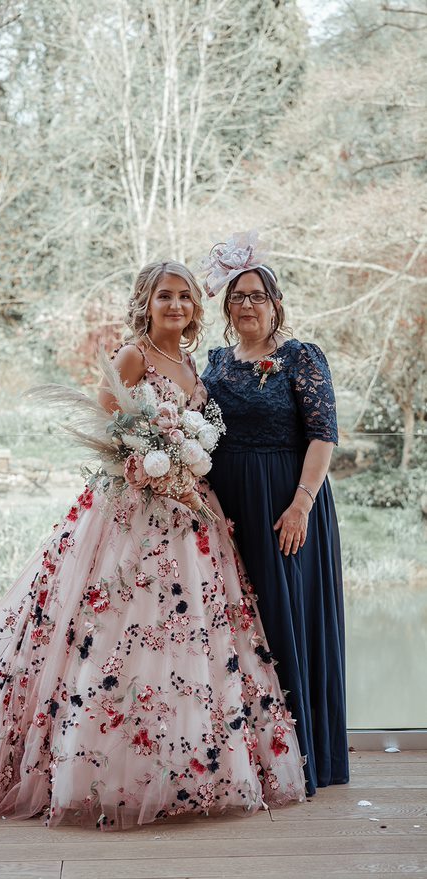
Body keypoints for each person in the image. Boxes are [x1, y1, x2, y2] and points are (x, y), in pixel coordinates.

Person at [0, 259, 305, 837]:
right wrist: (146, 466)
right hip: (130, 514)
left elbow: (193, 429)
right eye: (166, 296)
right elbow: (106, 435)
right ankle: (100, 773)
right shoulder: (132, 356)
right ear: (146, 302)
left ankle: (178, 768)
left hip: (189, 516)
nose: (178, 306)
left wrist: (182, 465)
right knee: (111, 637)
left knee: (181, 642)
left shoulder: (192, 364)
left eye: (186, 297)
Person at [200, 233, 349, 796]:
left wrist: (301, 505)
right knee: (239, 626)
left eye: (257, 295)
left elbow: (323, 436)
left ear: (276, 303)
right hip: (227, 506)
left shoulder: (300, 358)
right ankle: (246, 761)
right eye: (236, 295)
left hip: (287, 504)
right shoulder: (214, 362)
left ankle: (299, 760)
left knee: (283, 622)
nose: (246, 304)